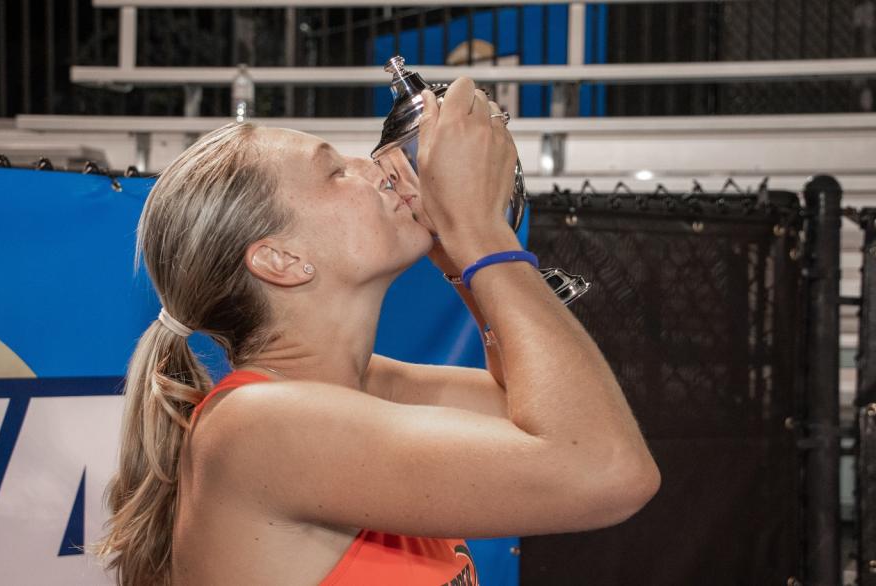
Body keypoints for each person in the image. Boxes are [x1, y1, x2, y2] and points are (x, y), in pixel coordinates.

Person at [94, 77, 661, 585]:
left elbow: (561, 416)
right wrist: (481, 234)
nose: (377, 166)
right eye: (336, 171)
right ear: (281, 260)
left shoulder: (364, 390)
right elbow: (606, 470)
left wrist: (460, 256)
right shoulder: (254, 427)